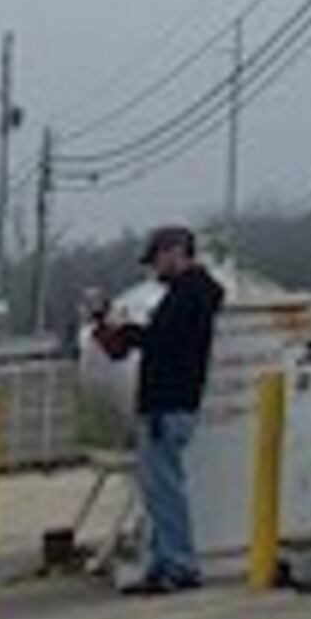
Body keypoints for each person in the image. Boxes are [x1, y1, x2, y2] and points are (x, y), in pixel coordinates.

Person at [90, 225, 224, 594]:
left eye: (158, 259)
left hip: (167, 404)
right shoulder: (196, 294)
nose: (155, 269)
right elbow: (159, 340)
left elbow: (160, 341)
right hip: (173, 403)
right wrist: (123, 329)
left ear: (176, 252)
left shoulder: (188, 295)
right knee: (159, 489)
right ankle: (164, 561)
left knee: (164, 490)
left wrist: (120, 328)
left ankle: (177, 564)